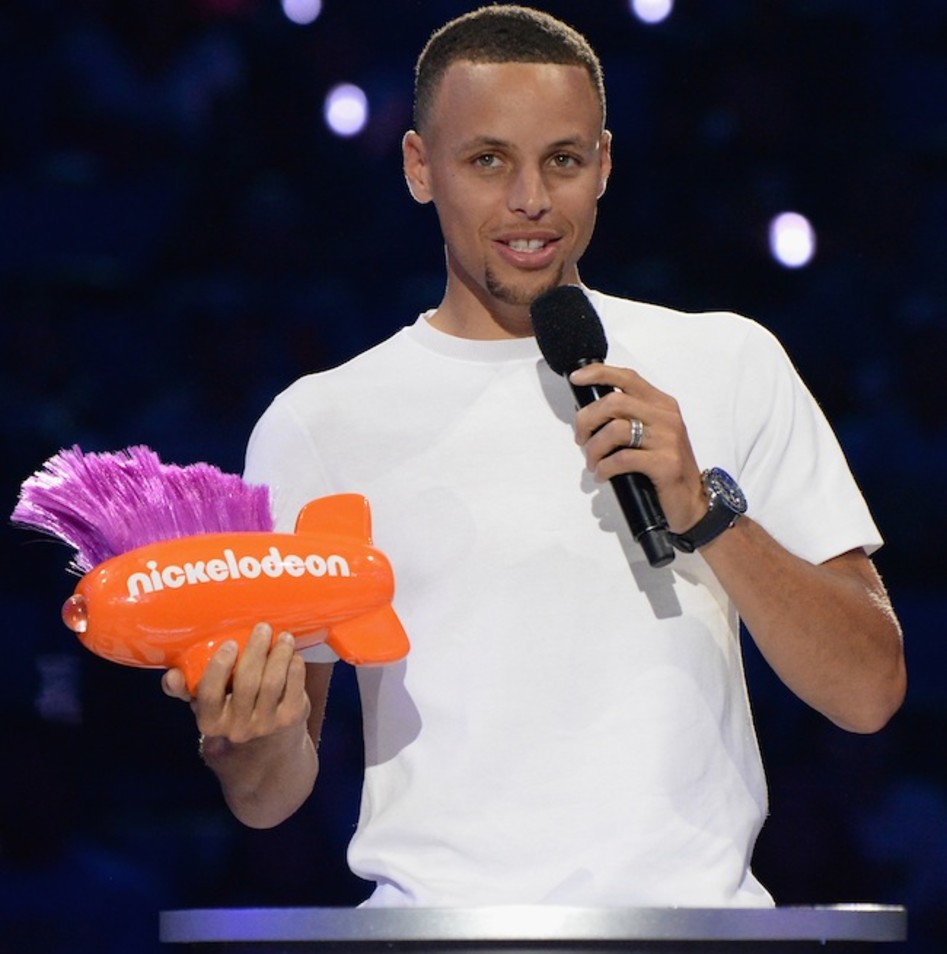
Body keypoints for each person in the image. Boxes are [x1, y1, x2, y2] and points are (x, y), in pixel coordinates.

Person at [163, 5, 905, 908]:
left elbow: (867, 690)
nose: (530, 200)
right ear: (418, 167)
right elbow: (269, 797)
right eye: (487, 161)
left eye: (562, 160)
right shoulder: (320, 423)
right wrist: (240, 735)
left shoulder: (730, 361)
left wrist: (705, 511)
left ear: (604, 164)